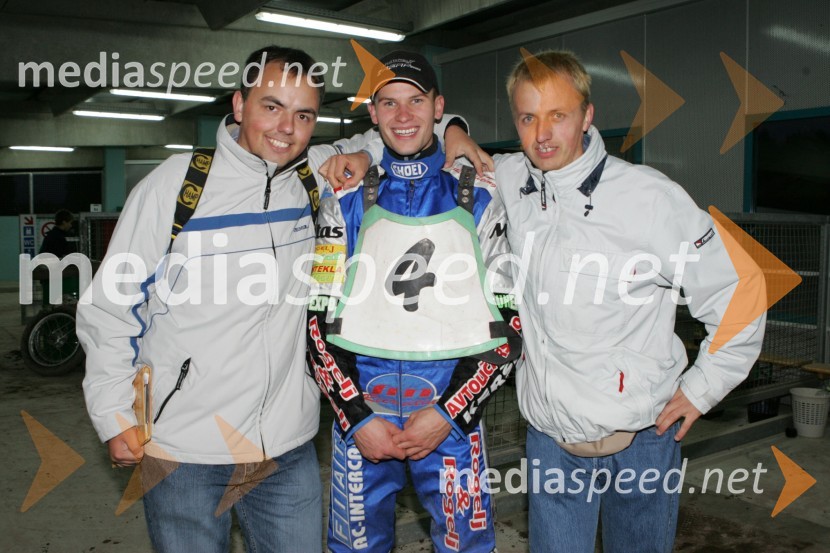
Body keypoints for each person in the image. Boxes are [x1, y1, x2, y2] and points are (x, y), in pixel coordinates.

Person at [76, 45, 486, 553]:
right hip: (184, 450)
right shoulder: (175, 186)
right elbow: (109, 308)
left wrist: (454, 130)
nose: (286, 127)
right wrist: (115, 415)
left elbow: (396, 131)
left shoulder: (313, 176)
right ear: (239, 104)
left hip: (286, 451)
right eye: (271, 106)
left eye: (303, 114)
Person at [494, 50, 766, 552]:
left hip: (641, 436)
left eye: (559, 115)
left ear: (587, 115)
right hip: (551, 440)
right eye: (528, 117)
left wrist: (704, 387)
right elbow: (435, 133)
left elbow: (738, 291)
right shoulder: (513, 181)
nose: (543, 134)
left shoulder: (649, 199)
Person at [307, 51, 521, 553]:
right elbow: (317, 319)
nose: (403, 116)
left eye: (416, 101)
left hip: (449, 414)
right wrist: (356, 416)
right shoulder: (343, 198)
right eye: (389, 103)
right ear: (374, 115)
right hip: (361, 416)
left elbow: (509, 323)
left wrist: (449, 412)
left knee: (466, 546)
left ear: (438, 108)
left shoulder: (481, 196)